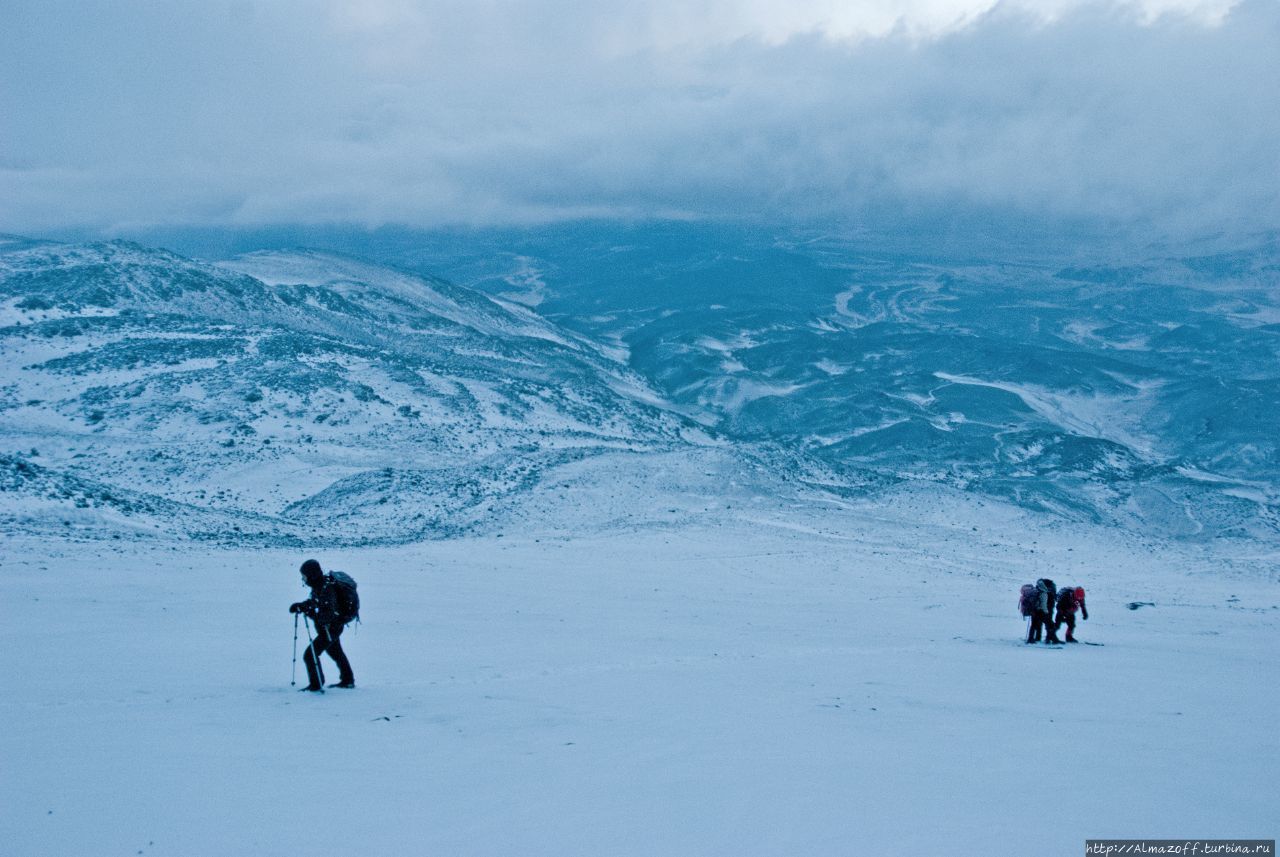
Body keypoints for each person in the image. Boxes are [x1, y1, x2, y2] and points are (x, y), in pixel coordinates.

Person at [290, 559, 356, 691]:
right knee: (335, 652)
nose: (304, 579)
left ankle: (316, 684)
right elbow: (315, 602)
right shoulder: (321, 585)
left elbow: (327, 616)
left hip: (330, 629)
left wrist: (309, 613)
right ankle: (347, 680)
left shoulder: (326, 588)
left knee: (310, 655)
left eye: (304, 576)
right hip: (332, 628)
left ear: (312, 575)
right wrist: (302, 606)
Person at [1027, 578, 1062, 645]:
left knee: (1034, 625)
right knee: (1051, 624)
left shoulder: (1036, 589)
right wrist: (1046, 612)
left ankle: (1031, 638)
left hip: (1034, 611)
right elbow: (1043, 605)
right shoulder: (1044, 593)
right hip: (1041, 612)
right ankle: (1052, 639)